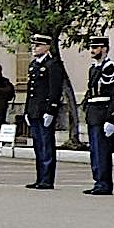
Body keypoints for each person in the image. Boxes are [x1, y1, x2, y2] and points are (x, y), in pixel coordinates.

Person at [23, 33, 69, 190]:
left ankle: (47, 179)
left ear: (47, 47)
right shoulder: (33, 65)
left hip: (45, 111)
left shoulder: (53, 64)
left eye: (37, 45)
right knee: (38, 145)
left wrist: (51, 110)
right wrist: (27, 111)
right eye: (33, 45)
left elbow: (54, 90)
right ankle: (39, 177)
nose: (34, 48)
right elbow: (31, 91)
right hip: (34, 111)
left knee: (46, 145)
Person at [81, 36, 114, 195]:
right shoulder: (93, 69)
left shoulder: (113, 69)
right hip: (93, 114)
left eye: (96, 47)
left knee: (103, 151)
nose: (92, 50)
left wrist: (111, 118)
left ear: (104, 49)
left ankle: (104, 183)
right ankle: (98, 181)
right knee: (95, 151)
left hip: (104, 113)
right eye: (92, 47)